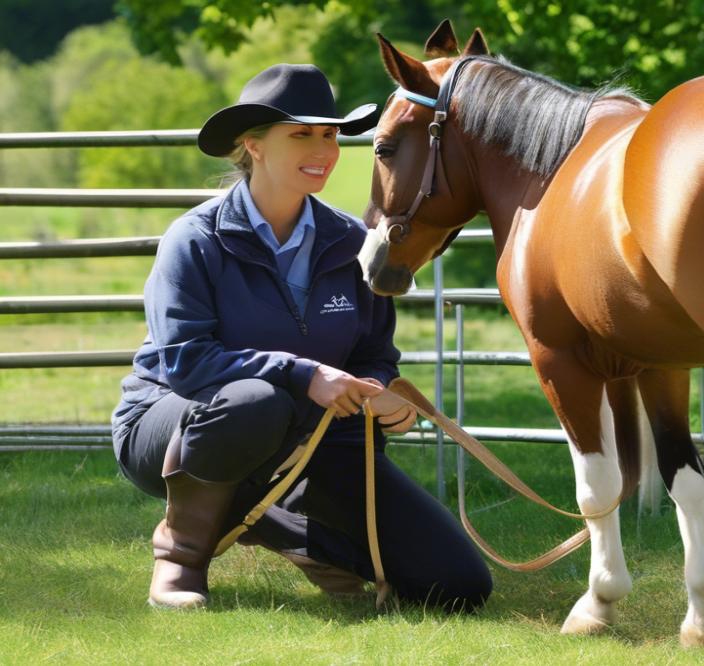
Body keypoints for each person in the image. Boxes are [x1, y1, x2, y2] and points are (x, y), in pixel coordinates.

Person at [110, 63, 492, 612]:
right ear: (253, 145)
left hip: (315, 439)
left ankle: (285, 528)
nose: (324, 149)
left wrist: (381, 389)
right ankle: (181, 557)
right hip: (177, 425)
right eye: (301, 134)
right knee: (255, 401)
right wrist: (304, 374)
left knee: (455, 587)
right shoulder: (195, 239)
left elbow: (374, 353)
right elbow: (186, 363)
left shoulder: (352, 242)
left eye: (331, 134)